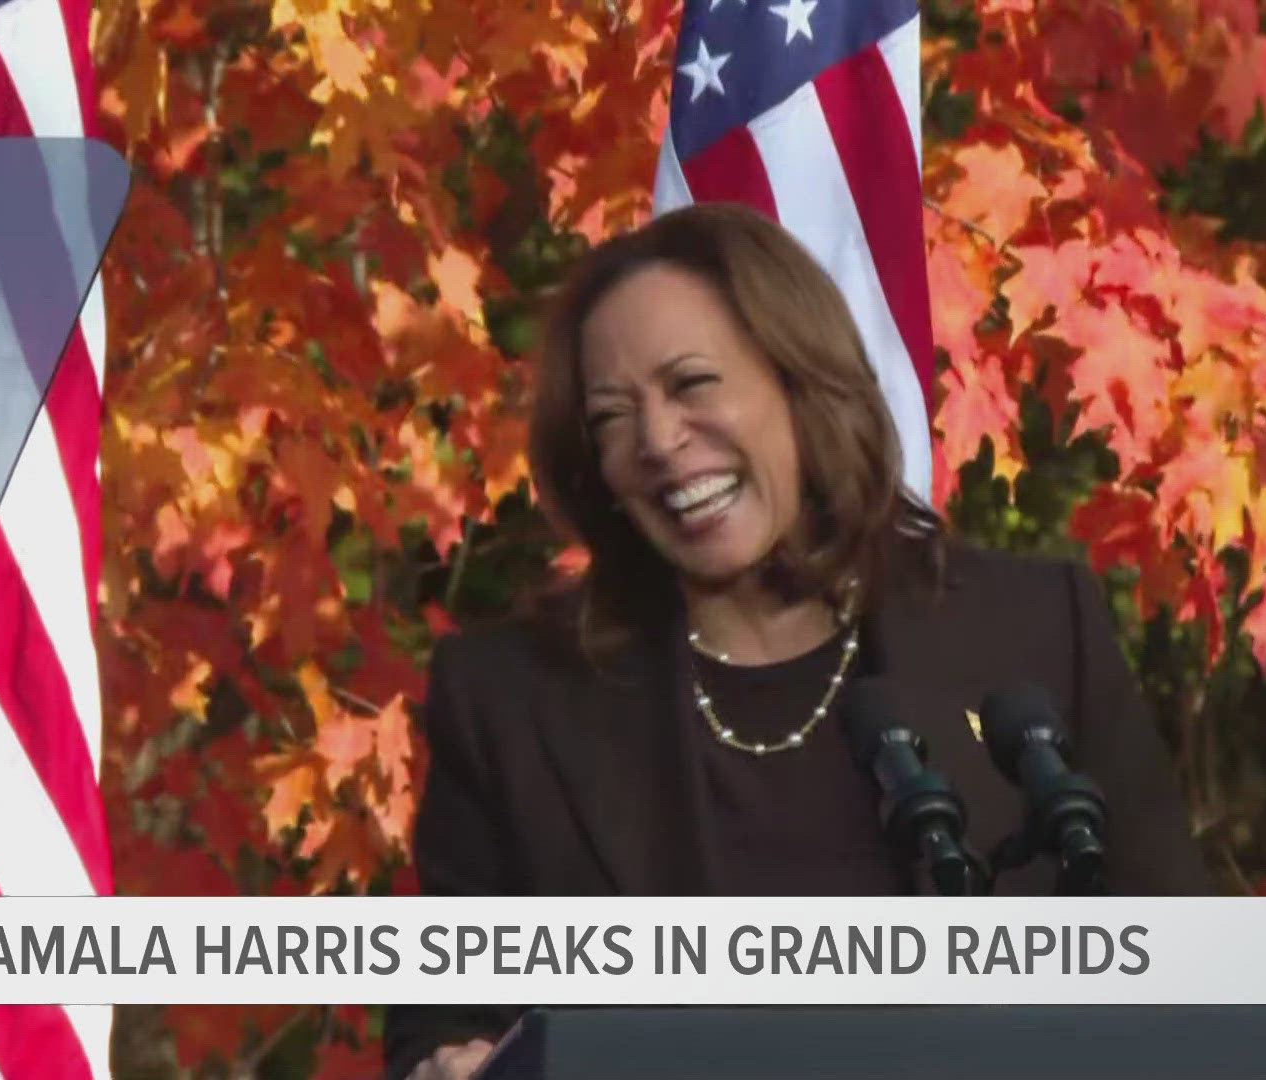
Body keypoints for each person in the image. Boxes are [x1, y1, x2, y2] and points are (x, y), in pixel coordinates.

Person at [384, 203, 1210, 1079]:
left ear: (800, 381)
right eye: (611, 418)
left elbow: (1196, 988)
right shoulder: (511, 699)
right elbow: (437, 1027)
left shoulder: (1033, 631)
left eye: (693, 383)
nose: (659, 442)